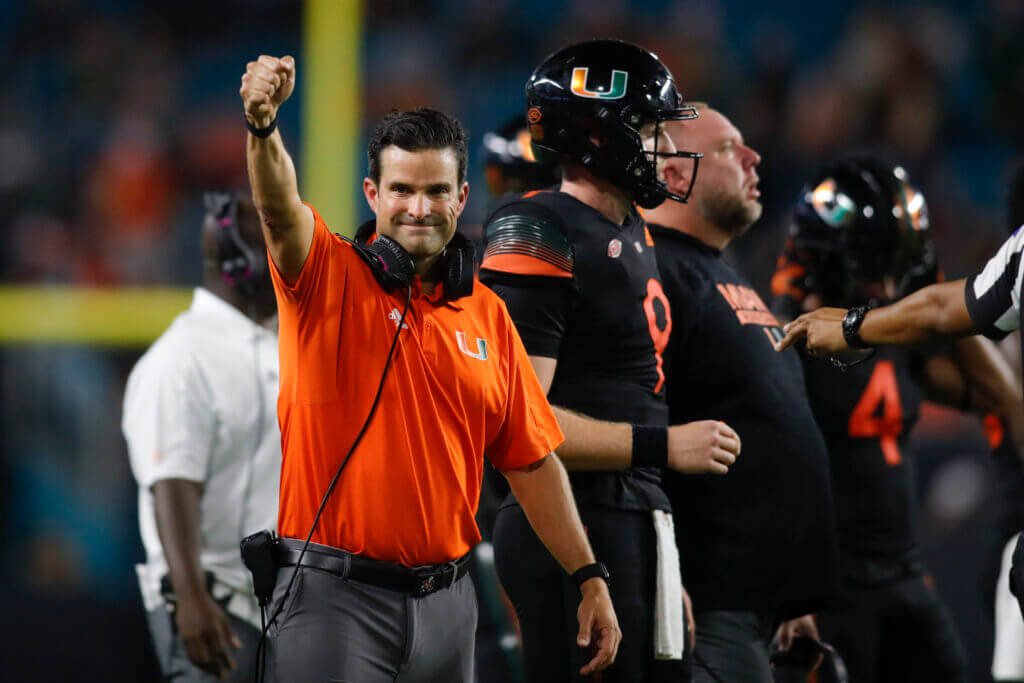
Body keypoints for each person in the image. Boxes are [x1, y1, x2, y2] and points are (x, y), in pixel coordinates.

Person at [239, 54, 621, 682]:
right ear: (373, 195)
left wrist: (589, 575)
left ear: (462, 197)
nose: (420, 207)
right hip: (334, 601)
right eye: (403, 190)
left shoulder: (488, 314)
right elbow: (279, 209)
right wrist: (262, 127)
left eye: (437, 190)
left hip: (450, 605)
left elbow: (530, 459)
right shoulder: (324, 275)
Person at [480, 40, 741, 682]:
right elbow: (518, 424)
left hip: (630, 518)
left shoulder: (631, 232)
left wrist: (659, 558)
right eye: (650, 129)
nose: (664, 147)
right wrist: (662, 446)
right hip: (571, 523)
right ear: (602, 134)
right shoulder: (535, 226)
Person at [769, 157, 1024, 681]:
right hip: (828, 584)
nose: (885, 286)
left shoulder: (893, 336)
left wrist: (927, 296)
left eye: (897, 266)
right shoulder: (785, 339)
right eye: (872, 266)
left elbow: (1002, 394)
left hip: (903, 575)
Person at [640, 104, 840, 683]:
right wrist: (656, 569)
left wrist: (792, 596)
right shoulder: (652, 272)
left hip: (756, 611)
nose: (754, 158)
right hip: (706, 607)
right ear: (674, 175)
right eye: (729, 149)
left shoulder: (717, 269)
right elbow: (635, 422)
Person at [123, 192, 281, 681]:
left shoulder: (279, 342)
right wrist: (190, 598)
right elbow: (171, 482)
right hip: (215, 607)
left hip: (281, 608)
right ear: (238, 261)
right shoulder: (181, 355)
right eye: (272, 241)